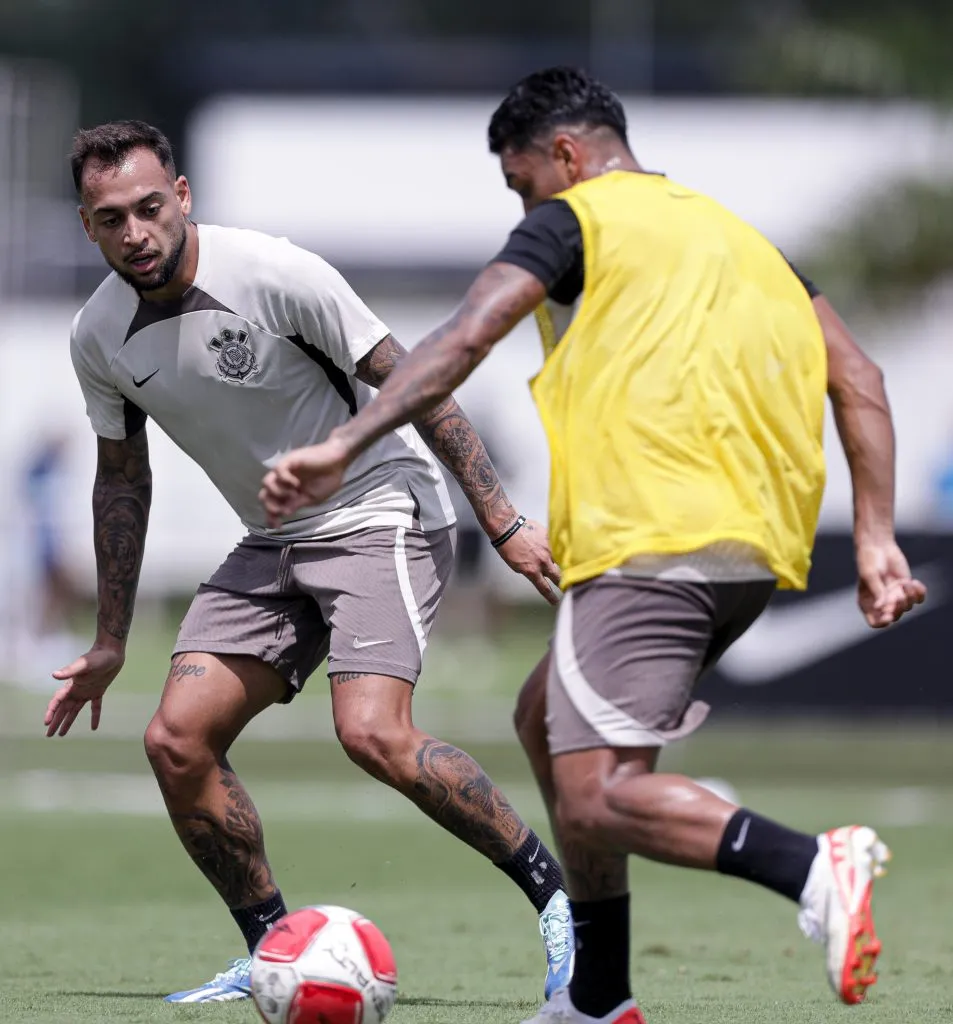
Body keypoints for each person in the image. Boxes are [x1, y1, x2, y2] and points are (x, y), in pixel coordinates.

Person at [259, 67, 928, 1024]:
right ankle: (600, 998)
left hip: (650, 542)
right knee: (542, 719)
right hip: (752, 551)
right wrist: (872, 540)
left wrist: (341, 443)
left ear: (564, 156)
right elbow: (856, 376)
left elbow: (462, 336)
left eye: (520, 182)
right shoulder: (746, 242)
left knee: (596, 799)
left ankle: (809, 866)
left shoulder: (577, 219)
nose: (522, 204)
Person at [47, 119, 575, 1004]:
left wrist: (503, 519)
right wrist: (108, 642)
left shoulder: (276, 273)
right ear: (87, 226)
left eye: (147, 208)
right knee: (176, 741)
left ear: (181, 197)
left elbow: (417, 384)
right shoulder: (96, 335)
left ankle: (561, 904)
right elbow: (121, 485)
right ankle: (271, 949)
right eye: (110, 219)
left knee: (372, 732)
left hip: (382, 513)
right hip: (271, 540)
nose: (134, 233)